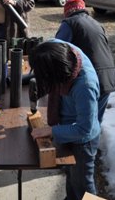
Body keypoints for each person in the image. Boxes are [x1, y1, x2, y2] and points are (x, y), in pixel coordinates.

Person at [29, 39, 100, 200]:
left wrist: (51, 130)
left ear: (58, 76)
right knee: (71, 175)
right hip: (67, 124)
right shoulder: (56, 47)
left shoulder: (85, 86)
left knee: (83, 186)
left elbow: (84, 128)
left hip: (84, 140)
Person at [55, 0, 115, 123]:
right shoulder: (97, 24)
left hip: (89, 80)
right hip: (108, 78)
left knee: (76, 123)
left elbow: (56, 50)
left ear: (67, 13)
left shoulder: (69, 23)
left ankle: (73, 142)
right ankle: (93, 142)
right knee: (95, 123)